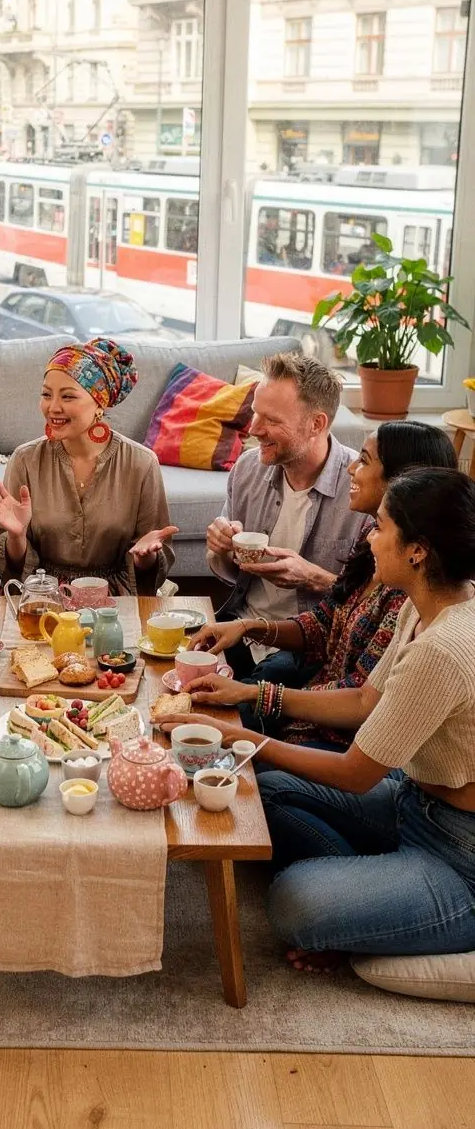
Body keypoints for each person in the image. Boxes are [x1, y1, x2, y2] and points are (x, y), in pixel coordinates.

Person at [192, 467, 475, 971]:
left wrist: (243, 740)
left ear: (418, 550)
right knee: (265, 791)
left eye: (382, 527)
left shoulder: (443, 648)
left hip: (460, 852)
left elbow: (354, 774)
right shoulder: (427, 604)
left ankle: (379, 903)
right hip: (413, 799)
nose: (370, 536)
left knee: (295, 902)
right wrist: (252, 692)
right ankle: (378, 890)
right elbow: (366, 701)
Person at [186, 422, 459, 748]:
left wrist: (259, 695)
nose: (350, 469)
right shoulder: (371, 536)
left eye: (364, 460)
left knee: (241, 747)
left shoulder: (408, 587)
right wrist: (246, 627)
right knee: (219, 705)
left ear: (404, 481)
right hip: (319, 689)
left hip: (343, 734)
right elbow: (324, 621)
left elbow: (361, 698)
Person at [206, 352, 365, 680]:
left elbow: (373, 607)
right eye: (255, 413)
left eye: (272, 420)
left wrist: (313, 578)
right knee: (173, 664)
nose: (254, 429)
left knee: (233, 702)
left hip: (305, 647)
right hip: (242, 625)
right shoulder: (248, 469)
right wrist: (219, 549)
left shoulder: (362, 489)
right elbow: (229, 574)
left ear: (316, 424)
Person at [0, 338, 178, 595]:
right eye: (46, 394)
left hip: (115, 597)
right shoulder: (25, 459)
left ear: (100, 404)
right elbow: (10, 565)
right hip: (41, 595)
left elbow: (152, 567)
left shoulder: (141, 463)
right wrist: (16, 536)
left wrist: (145, 557)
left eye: (68, 396)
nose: (53, 407)